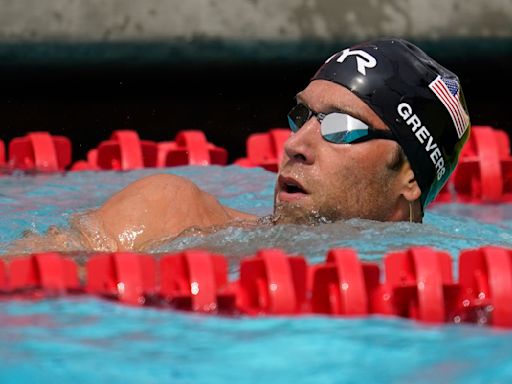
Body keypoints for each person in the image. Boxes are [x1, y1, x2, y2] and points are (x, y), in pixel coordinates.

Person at [8, 38, 471, 253]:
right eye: (303, 116)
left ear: (410, 174)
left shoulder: (453, 265)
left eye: (340, 128)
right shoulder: (172, 214)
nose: (295, 144)